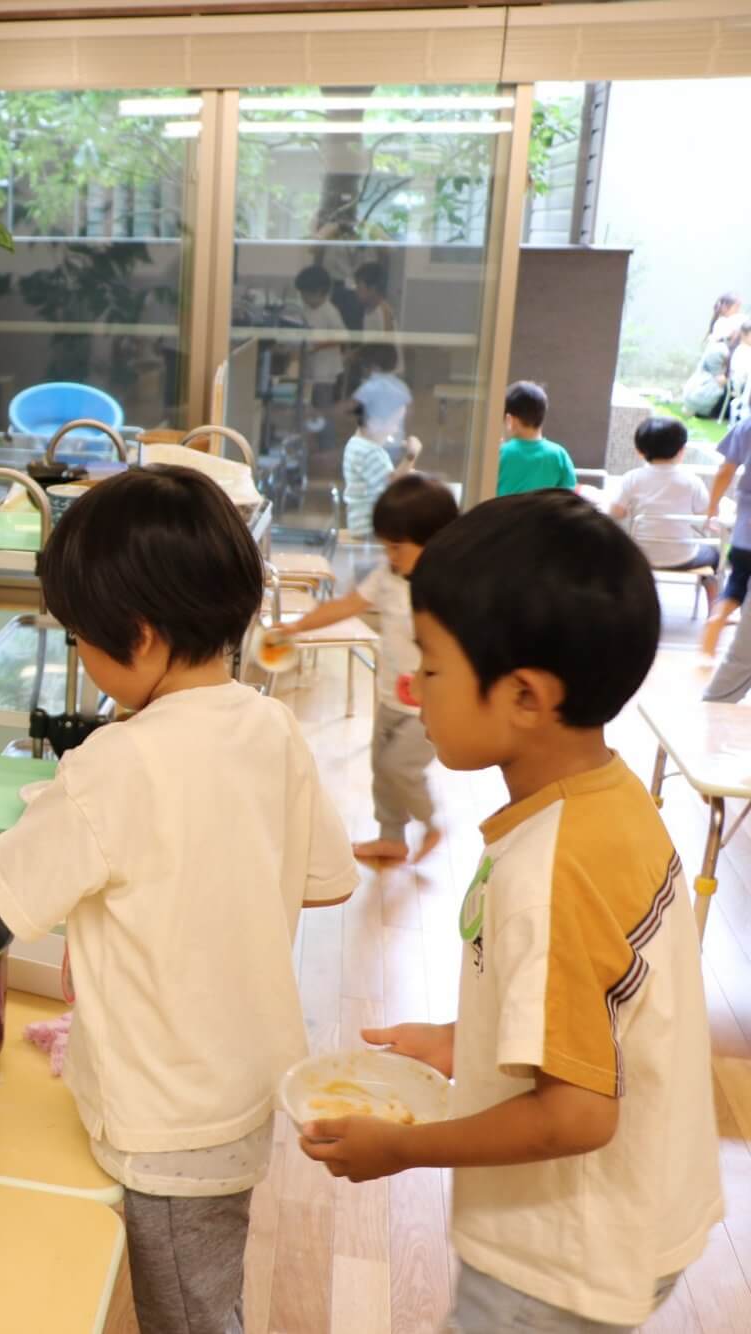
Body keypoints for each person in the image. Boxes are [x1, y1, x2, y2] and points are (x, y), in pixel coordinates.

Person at [0, 466, 357, 1334]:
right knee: (208, 1273)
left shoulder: (118, 761)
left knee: (189, 1311)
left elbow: (0, 877)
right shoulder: (272, 727)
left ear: (135, 638)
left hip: (167, 1115)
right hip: (244, 1080)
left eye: (78, 641)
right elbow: (322, 883)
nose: (79, 657)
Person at [301, 490, 722, 1333]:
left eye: (433, 663)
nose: (414, 681)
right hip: (636, 1215)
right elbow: (605, 1014)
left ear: (527, 695)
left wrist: (403, 1148)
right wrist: (468, 1045)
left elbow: (576, 1112)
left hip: (558, 1256)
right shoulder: (611, 803)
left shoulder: (556, 868)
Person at [280, 474, 459, 863]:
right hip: (389, 696)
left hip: (430, 705)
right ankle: (392, 837)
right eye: (386, 546)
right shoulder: (387, 578)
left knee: (399, 765)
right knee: (382, 767)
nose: (390, 555)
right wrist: (295, 626)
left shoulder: (448, 589)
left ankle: (432, 821)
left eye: (397, 547)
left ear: (435, 541)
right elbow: (345, 605)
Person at [608, 416, 717, 602]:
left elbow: (615, 513)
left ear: (639, 451)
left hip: (640, 556)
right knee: (714, 555)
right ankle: (714, 606)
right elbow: (706, 514)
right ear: (682, 451)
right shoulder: (692, 481)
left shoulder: (632, 479)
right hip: (684, 557)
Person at [702, 414, 751, 668]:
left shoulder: (747, 425)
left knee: (736, 586)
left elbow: (726, 470)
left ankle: (708, 647)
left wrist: (713, 506)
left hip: (746, 532)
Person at [342, 404, 422, 541]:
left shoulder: (355, 444)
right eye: (395, 423)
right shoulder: (372, 452)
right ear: (374, 422)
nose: (396, 430)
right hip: (373, 526)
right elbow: (394, 485)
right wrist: (411, 455)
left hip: (358, 524)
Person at [493, 381, 577, 496]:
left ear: (509, 420)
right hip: (544, 514)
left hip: (503, 514)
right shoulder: (559, 455)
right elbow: (569, 497)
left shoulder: (500, 454)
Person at [294, 264, 348, 407]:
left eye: (305, 295)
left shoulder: (329, 311)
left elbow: (342, 336)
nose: (303, 298)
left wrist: (317, 346)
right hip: (312, 369)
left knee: (324, 408)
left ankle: (327, 429)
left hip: (326, 372)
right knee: (312, 406)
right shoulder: (307, 309)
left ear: (318, 292)